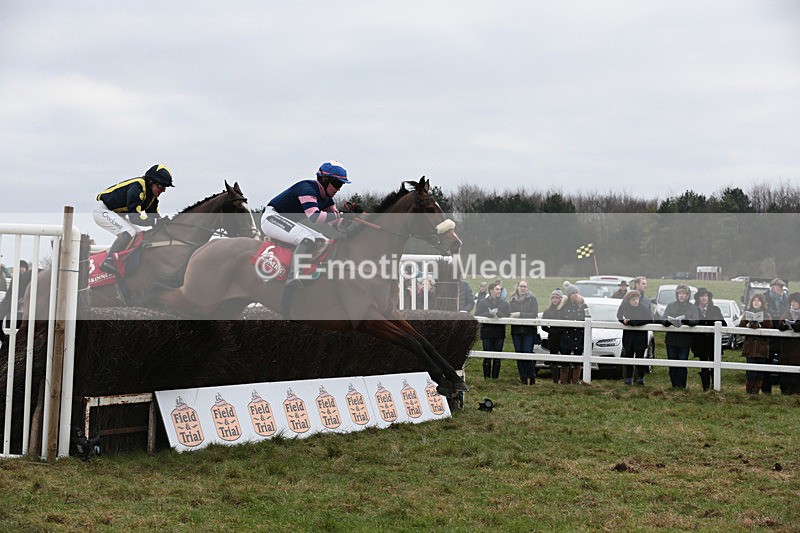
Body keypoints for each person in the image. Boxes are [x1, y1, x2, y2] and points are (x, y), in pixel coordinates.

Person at [261, 161, 350, 287]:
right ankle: (293, 277)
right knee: (307, 238)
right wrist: (338, 215)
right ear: (324, 180)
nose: (339, 188)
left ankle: (310, 270)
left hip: (286, 221)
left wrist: (350, 221)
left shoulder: (327, 199)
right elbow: (314, 216)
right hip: (271, 217)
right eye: (336, 184)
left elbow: (336, 224)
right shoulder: (307, 189)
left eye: (341, 185)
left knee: (322, 240)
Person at [94, 164, 174, 277]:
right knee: (129, 233)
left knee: (138, 234)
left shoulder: (152, 197)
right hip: (103, 211)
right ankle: (109, 261)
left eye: (165, 188)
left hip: (117, 214)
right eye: (161, 186)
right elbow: (135, 218)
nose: (163, 190)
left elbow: (154, 218)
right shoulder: (137, 188)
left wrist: (166, 225)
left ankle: (123, 260)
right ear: (151, 181)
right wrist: (156, 222)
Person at [661, 284, 699, 389]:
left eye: (684, 294)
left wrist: (687, 321)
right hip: (671, 340)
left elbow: (696, 320)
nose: (681, 296)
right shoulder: (670, 306)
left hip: (685, 340)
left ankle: (682, 387)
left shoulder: (693, 308)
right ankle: (674, 386)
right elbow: (663, 318)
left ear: (688, 295)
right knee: (672, 363)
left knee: (682, 363)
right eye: (679, 294)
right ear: (676, 295)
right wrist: (667, 322)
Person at [738, 293, 774, 394]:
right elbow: (740, 329)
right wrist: (747, 325)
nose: (756, 302)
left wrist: (760, 326)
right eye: (754, 300)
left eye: (758, 300)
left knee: (760, 372)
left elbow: (770, 330)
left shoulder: (767, 315)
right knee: (752, 371)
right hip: (750, 347)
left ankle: (756, 391)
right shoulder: (746, 314)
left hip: (762, 348)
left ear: (762, 303)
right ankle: (749, 391)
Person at [691, 288, 725, 391]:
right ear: (698, 298)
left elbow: (723, 324)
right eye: (701, 296)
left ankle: (715, 387)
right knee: (704, 365)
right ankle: (705, 388)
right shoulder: (694, 310)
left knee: (715, 364)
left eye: (706, 296)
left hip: (713, 342)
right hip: (700, 342)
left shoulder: (715, 309)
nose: (704, 298)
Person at [616, 289, 653, 385]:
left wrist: (634, 322)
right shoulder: (624, 307)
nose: (636, 301)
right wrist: (623, 321)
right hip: (629, 337)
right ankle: (628, 379)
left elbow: (649, 319)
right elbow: (619, 315)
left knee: (640, 359)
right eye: (633, 299)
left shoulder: (643, 308)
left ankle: (640, 379)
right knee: (628, 357)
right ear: (629, 300)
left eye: (637, 299)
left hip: (640, 337)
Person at [475, 281, 510, 379]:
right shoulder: (483, 302)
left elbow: (508, 315)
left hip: (499, 333)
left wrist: (501, 315)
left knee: (497, 357)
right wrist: (486, 314)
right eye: (497, 289)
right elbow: (476, 315)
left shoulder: (504, 303)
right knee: (487, 356)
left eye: (500, 289)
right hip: (487, 332)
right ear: (491, 291)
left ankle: (495, 378)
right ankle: (486, 377)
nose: (499, 291)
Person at [509, 280, 540, 385]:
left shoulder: (532, 299)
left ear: (527, 288)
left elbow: (534, 313)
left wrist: (520, 314)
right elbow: (510, 313)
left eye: (525, 286)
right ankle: (523, 378)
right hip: (516, 331)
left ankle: (531, 376)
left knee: (527, 353)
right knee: (519, 354)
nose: (523, 288)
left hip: (528, 331)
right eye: (521, 286)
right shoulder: (512, 300)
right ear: (517, 287)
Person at [558, 282, 590, 384]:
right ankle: (564, 382)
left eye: (577, 292)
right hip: (566, 336)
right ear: (569, 295)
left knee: (577, 360)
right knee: (565, 360)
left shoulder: (583, 305)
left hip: (578, 336)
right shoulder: (564, 306)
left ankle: (575, 381)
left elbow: (588, 318)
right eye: (573, 293)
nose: (575, 295)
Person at [762, 278, 789, 394]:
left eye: (782, 287)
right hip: (768, 338)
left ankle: (784, 389)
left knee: (783, 363)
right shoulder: (764, 298)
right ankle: (766, 390)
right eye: (779, 287)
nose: (782, 290)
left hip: (782, 338)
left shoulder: (786, 300)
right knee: (766, 364)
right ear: (773, 288)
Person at [777, 292, 800, 395]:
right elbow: (780, 325)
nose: (793, 304)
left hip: (798, 348)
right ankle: (785, 391)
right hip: (787, 348)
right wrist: (783, 326)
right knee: (785, 368)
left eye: (796, 302)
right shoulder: (786, 314)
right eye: (792, 302)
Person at [541, 288, 565, 383]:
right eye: (553, 298)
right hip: (553, 337)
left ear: (560, 299)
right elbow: (543, 326)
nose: (555, 300)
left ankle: (564, 379)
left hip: (563, 337)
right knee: (553, 358)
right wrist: (551, 331)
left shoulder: (564, 310)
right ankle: (555, 379)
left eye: (557, 298)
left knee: (564, 358)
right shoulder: (548, 311)